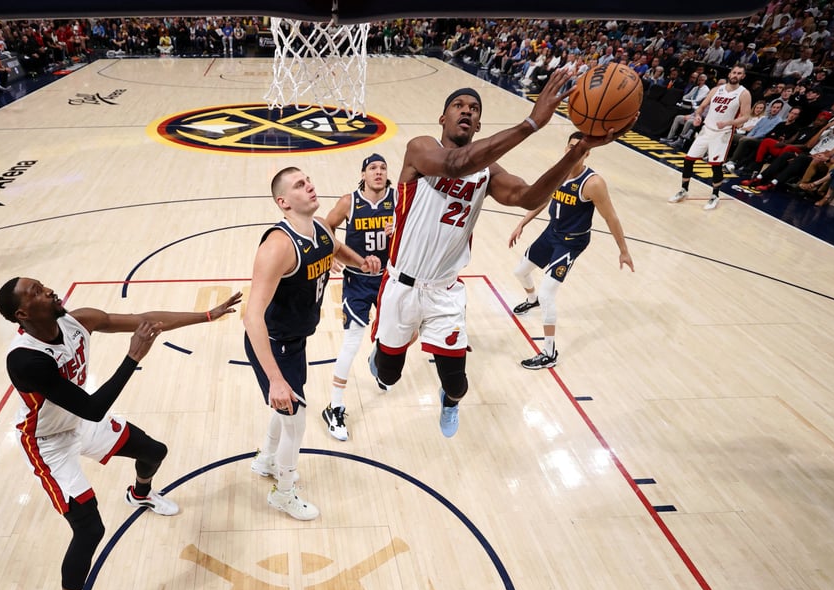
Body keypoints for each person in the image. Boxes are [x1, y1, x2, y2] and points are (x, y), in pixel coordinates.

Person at [368, 68, 630, 438]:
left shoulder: (487, 173)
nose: (466, 110)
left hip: (444, 291)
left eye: (474, 108)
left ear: (478, 125)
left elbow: (530, 197)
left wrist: (580, 150)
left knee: (459, 385)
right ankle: (384, 352)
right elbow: (456, 164)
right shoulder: (421, 149)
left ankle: (449, 399)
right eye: (458, 105)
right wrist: (530, 124)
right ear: (443, 118)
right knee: (389, 375)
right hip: (401, 286)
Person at [0, 276, 241, 590]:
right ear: (23, 314)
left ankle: (139, 493)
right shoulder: (25, 359)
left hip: (78, 422)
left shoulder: (78, 319)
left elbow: (146, 319)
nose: (50, 290)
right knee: (89, 528)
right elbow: (93, 406)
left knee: (154, 451)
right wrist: (133, 358)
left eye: (45, 285)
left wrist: (208, 315)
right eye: (37, 292)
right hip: (47, 442)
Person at [244, 167, 381, 520]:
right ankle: (284, 493)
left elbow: (335, 248)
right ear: (283, 202)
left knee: (289, 409)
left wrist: (361, 264)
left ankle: (266, 461)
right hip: (274, 344)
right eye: (299, 185)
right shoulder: (278, 247)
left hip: (295, 340)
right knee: (296, 420)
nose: (310, 186)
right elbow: (251, 316)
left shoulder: (319, 227)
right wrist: (275, 378)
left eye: (309, 180)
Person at [508, 131, 634, 369]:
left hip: (571, 242)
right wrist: (522, 223)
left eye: (578, 149)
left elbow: (611, 218)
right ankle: (532, 300)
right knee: (520, 272)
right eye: (569, 147)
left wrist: (623, 250)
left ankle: (549, 352)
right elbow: (543, 198)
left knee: (548, 294)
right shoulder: (559, 171)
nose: (572, 152)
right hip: (551, 232)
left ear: (586, 154)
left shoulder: (593, 183)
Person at [320, 153, 396, 441]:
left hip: (390, 280)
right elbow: (325, 228)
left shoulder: (397, 200)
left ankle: (377, 364)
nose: (378, 172)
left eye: (383, 167)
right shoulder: (348, 202)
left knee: (392, 337)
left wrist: (399, 229)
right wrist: (328, 255)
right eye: (372, 168)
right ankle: (335, 406)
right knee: (352, 342)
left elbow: (415, 233)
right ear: (363, 174)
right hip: (357, 282)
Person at [669, 65, 753, 210]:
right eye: (734, 72)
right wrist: (697, 117)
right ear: (729, 73)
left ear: (743, 76)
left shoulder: (744, 94)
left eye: (739, 73)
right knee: (688, 159)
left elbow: (745, 117)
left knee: (716, 165)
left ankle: (715, 195)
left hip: (723, 132)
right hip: (706, 129)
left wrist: (728, 122)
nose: (735, 75)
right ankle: (684, 190)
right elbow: (702, 107)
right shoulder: (716, 90)